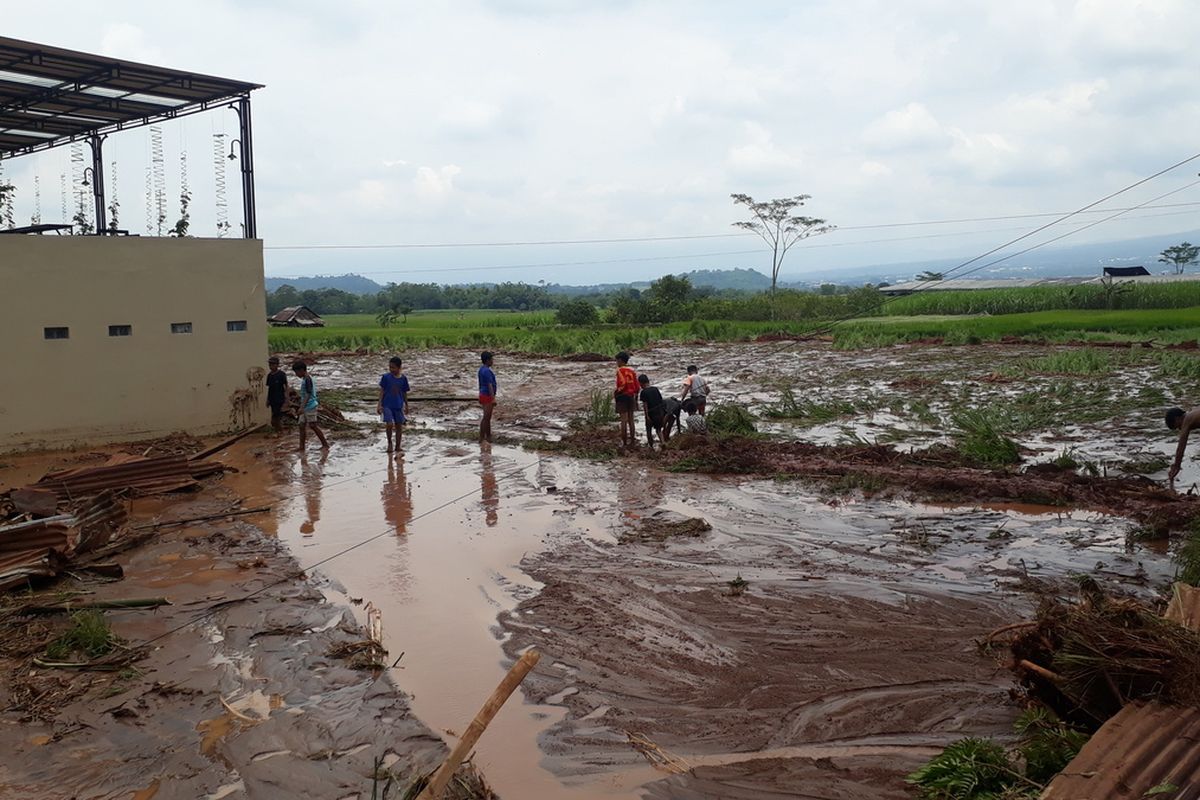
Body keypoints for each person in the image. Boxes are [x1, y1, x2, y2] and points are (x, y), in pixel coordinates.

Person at [292, 360, 330, 451]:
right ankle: (301, 447)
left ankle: (325, 444)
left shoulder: (308, 379)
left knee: (313, 425)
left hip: (310, 406)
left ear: (301, 370)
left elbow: (308, 394)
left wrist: (301, 407)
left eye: (296, 372)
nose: (296, 374)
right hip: (305, 406)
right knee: (301, 426)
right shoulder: (305, 379)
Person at [377, 356, 411, 453]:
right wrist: (379, 405)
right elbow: (382, 391)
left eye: (393, 367)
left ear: (399, 367)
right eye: (390, 367)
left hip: (398, 405)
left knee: (399, 425)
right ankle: (389, 443)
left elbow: (404, 393)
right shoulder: (386, 377)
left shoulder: (403, 379)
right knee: (389, 424)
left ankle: (398, 446)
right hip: (387, 405)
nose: (391, 369)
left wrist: (406, 405)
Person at [1166, 406, 1200, 484]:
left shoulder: (1187, 420)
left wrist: (1177, 466)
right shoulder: (1193, 411)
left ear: (1178, 419)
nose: (1180, 429)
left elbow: (1181, 446)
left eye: (1178, 427)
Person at [614, 351, 639, 447]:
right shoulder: (632, 371)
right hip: (631, 396)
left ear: (620, 360)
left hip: (622, 396)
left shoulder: (620, 370)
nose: (616, 363)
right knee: (631, 420)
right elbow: (637, 387)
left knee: (623, 420)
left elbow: (623, 382)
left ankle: (624, 442)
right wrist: (635, 397)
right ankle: (632, 441)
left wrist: (617, 391)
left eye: (617, 361)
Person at [638, 374, 670, 448]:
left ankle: (651, 446)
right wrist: (662, 413)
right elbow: (661, 401)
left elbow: (645, 405)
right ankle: (663, 442)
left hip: (650, 413)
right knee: (658, 429)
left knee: (649, 430)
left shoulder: (643, 392)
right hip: (658, 412)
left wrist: (647, 416)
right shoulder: (655, 389)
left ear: (641, 383)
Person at [265, 356, 288, 434]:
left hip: (280, 398)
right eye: (270, 364)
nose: (271, 366)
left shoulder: (281, 374)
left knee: (276, 417)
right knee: (274, 416)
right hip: (272, 399)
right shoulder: (269, 376)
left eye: (272, 364)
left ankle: (280, 431)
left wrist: (287, 399)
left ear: (277, 365)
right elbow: (270, 389)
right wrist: (268, 400)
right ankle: (278, 431)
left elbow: (285, 387)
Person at [478, 351, 498, 443]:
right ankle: (486, 437)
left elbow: (481, 384)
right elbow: (490, 385)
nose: (493, 361)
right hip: (487, 396)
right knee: (487, 418)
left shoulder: (481, 370)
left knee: (486, 418)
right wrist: (493, 398)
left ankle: (484, 437)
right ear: (487, 360)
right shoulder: (487, 371)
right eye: (491, 359)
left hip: (483, 394)